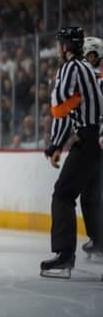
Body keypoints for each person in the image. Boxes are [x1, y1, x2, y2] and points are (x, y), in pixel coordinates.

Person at [41, 27, 103, 278]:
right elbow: (74, 106)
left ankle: (64, 256)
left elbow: (60, 109)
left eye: (60, 44)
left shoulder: (71, 68)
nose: (58, 49)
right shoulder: (88, 69)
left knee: (63, 195)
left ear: (66, 46)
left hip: (88, 140)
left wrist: (56, 144)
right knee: (91, 197)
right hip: (93, 140)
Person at [81, 35, 103, 259]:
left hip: (96, 142)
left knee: (93, 194)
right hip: (93, 144)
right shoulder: (92, 78)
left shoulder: (96, 80)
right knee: (90, 193)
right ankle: (97, 240)